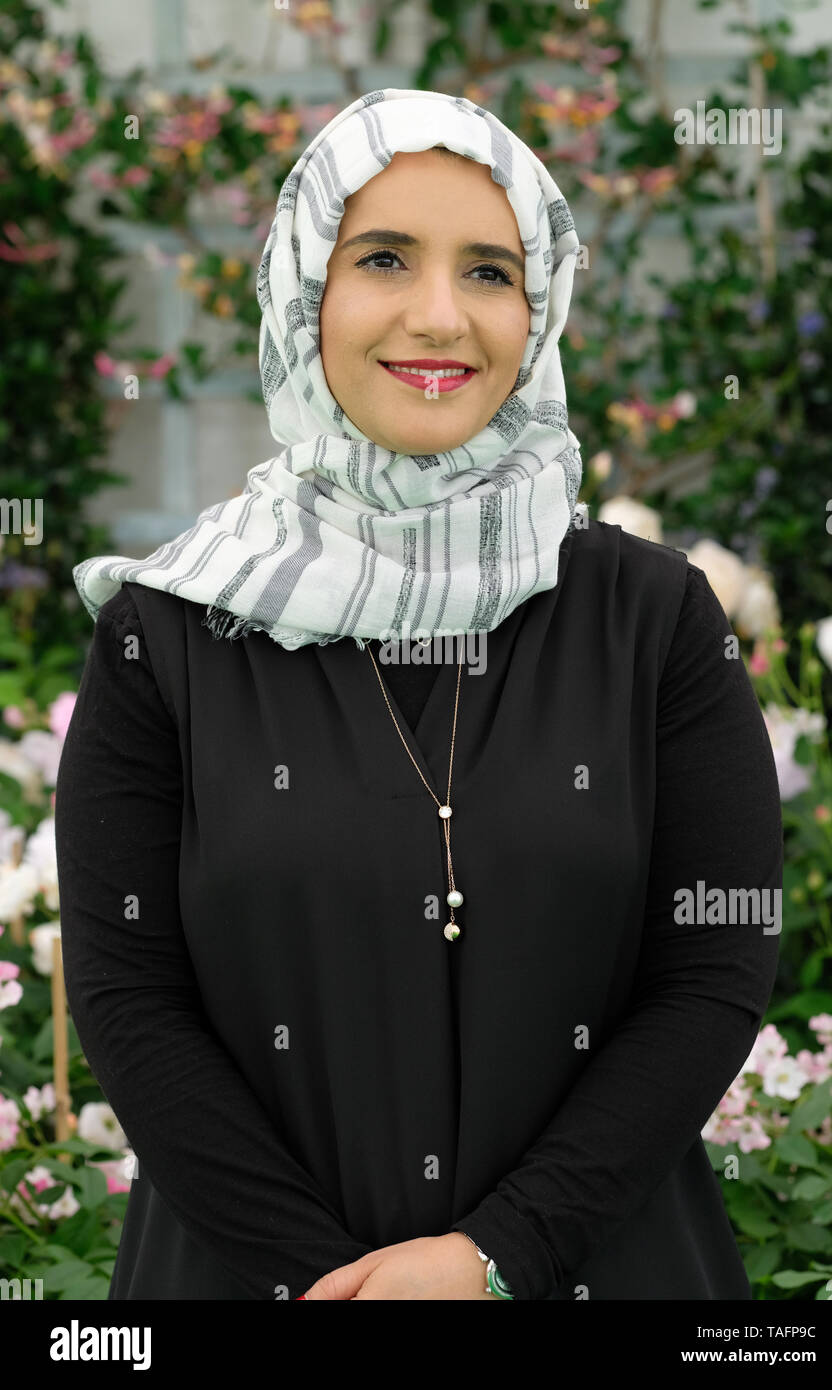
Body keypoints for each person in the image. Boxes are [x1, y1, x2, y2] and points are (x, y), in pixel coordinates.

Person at [54, 88, 782, 1302]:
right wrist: (332, 1282)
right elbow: (131, 1000)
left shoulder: (649, 618)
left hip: (607, 1266)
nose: (439, 316)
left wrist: (498, 1258)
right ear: (304, 292)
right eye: (382, 257)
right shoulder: (166, 633)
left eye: (490, 271)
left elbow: (710, 967)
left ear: (536, 308)